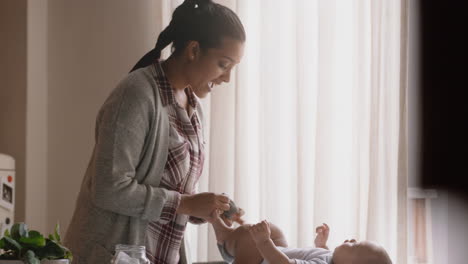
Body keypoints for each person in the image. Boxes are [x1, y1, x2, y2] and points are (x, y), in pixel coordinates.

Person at [64, 0, 245, 263]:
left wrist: (206, 207)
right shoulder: (136, 95)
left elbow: (170, 194)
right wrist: (185, 204)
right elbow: (109, 188)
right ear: (194, 50)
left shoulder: (193, 108)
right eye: (223, 64)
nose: (227, 78)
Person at [210, 210, 392, 264]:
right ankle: (230, 229)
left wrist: (263, 241)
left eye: (356, 245)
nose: (351, 239)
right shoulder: (332, 259)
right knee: (277, 231)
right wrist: (321, 244)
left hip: (258, 260)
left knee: (249, 237)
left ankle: (218, 225)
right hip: (270, 253)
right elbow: (319, 255)